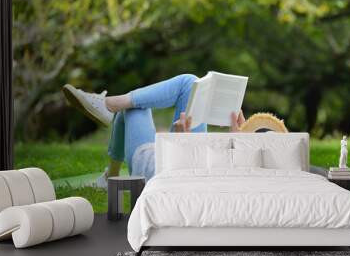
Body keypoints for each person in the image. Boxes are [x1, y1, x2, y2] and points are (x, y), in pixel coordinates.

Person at [63, 74, 245, 188]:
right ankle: (109, 105)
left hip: (167, 168)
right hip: (197, 158)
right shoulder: (251, 178)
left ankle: (107, 106)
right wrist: (233, 140)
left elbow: (184, 184)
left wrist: (182, 144)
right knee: (190, 83)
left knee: (134, 106)